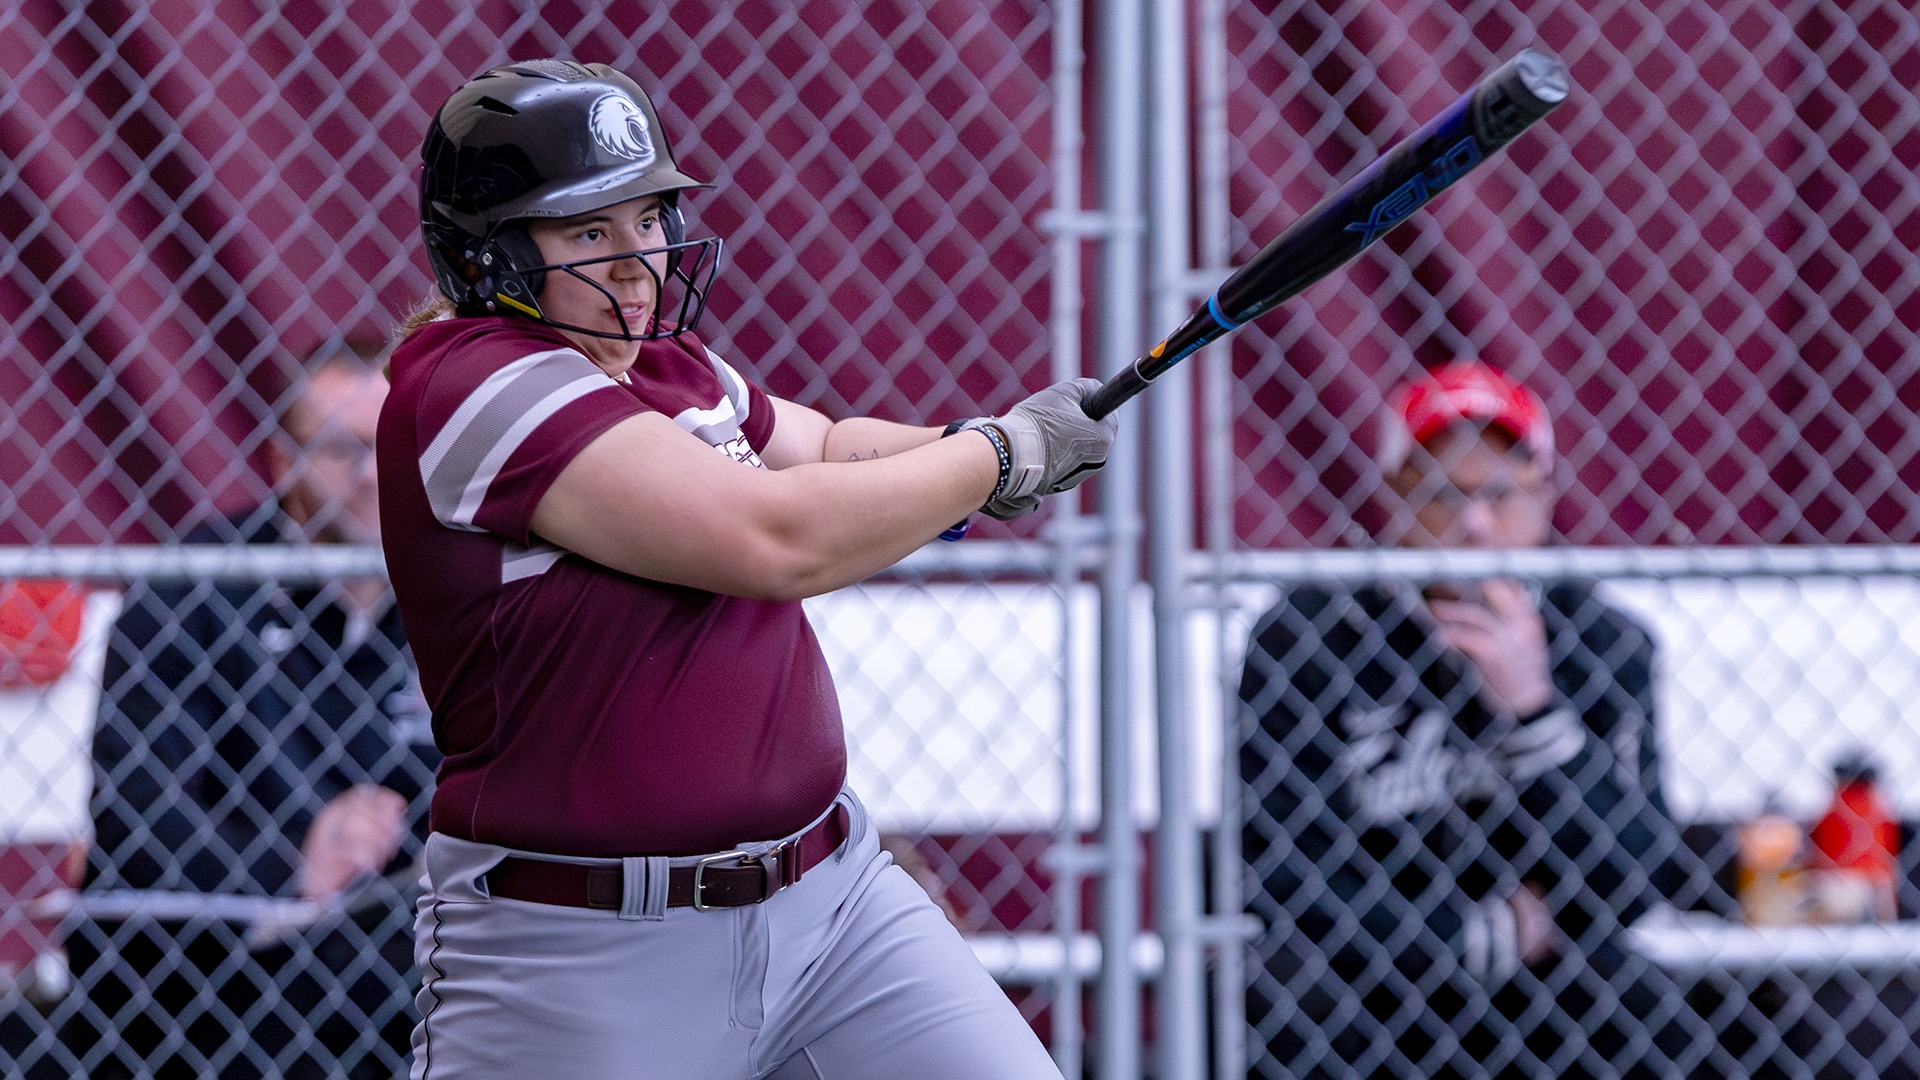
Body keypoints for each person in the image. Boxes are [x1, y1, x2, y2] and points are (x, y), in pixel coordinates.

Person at [380, 60, 1115, 1079]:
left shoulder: (663, 363)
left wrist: (970, 447)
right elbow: (773, 539)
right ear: (491, 256)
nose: (637, 261)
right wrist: (995, 459)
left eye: (646, 218)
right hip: (585, 952)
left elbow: (816, 452)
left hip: (836, 904)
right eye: (589, 232)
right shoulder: (474, 383)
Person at [1239, 361, 1732, 1080]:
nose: (1474, 522)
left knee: (1646, 1006)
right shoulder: (1311, 634)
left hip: (1548, 971)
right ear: (1394, 499)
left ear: (1545, 496)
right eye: (1443, 494)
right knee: (1286, 992)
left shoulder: (1599, 639)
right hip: (1370, 968)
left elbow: (1632, 878)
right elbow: (1282, 869)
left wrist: (1531, 709)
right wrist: (1466, 937)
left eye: (1499, 493)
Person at [68, 342, 439, 1079]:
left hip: (410, 947)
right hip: (221, 961)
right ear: (283, 461)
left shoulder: (465, 593)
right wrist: (295, 861)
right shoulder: (195, 589)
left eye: (392, 446)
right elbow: (139, 811)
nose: (370, 476)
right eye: (340, 449)